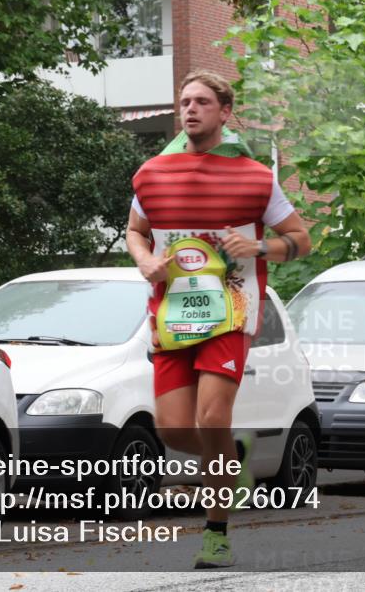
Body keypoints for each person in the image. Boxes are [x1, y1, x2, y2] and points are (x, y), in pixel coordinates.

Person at [126, 70, 311, 568]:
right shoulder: (151, 174)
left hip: (231, 309)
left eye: (202, 102)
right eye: (185, 101)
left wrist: (259, 245)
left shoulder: (255, 177)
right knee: (172, 432)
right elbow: (136, 232)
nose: (190, 109)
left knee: (211, 419)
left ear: (224, 112)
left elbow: (301, 238)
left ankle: (216, 534)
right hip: (171, 316)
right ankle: (235, 457)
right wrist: (145, 262)